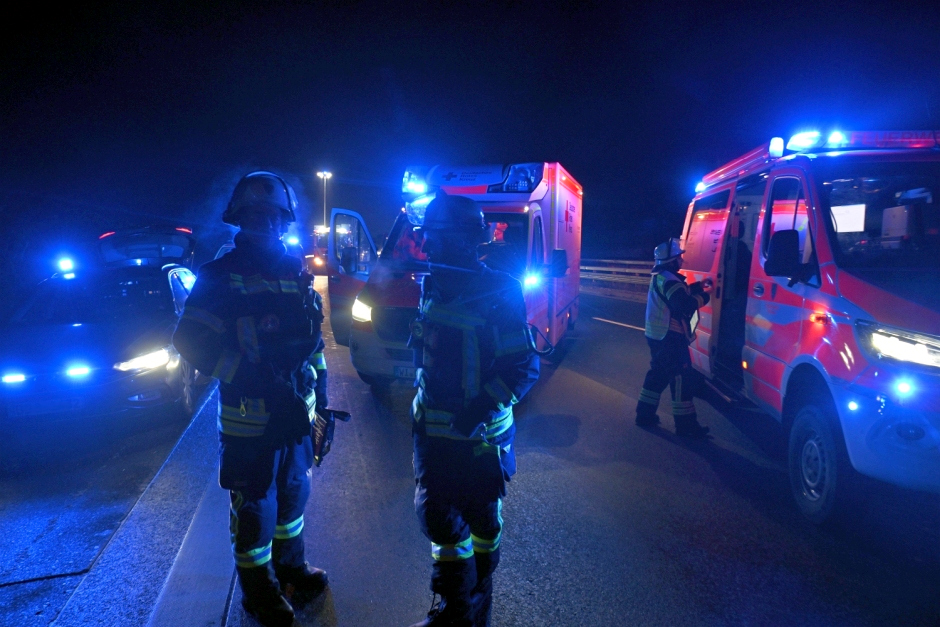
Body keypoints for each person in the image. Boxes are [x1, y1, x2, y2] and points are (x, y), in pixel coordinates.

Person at [172, 171, 329, 627]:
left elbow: (312, 342)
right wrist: (247, 377)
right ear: (239, 219)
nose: (268, 223)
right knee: (255, 508)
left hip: (297, 414)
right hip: (249, 419)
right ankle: (258, 594)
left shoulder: (296, 270)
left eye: (275, 215)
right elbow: (189, 341)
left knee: (294, 495)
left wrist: (320, 391)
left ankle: (291, 569)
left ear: (285, 220)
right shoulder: (220, 275)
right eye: (257, 214)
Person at [408, 193, 540, 626]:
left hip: (479, 438)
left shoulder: (499, 291)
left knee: (482, 524)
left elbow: (522, 366)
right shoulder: (433, 285)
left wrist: (476, 411)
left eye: (435, 239)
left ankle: (478, 599)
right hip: (433, 435)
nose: (425, 248)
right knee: (438, 519)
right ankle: (456, 608)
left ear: (467, 241)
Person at [635, 237, 712, 438]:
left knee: (658, 375)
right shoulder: (669, 279)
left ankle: (644, 415)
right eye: (679, 257)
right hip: (670, 338)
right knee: (681, 380)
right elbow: (683, 305)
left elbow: (679, 292)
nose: (681, 261)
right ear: (671, 260)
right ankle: (686, 428)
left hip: (658, 336)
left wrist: (698, 286)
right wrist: (704, 297)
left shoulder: (662, 276)